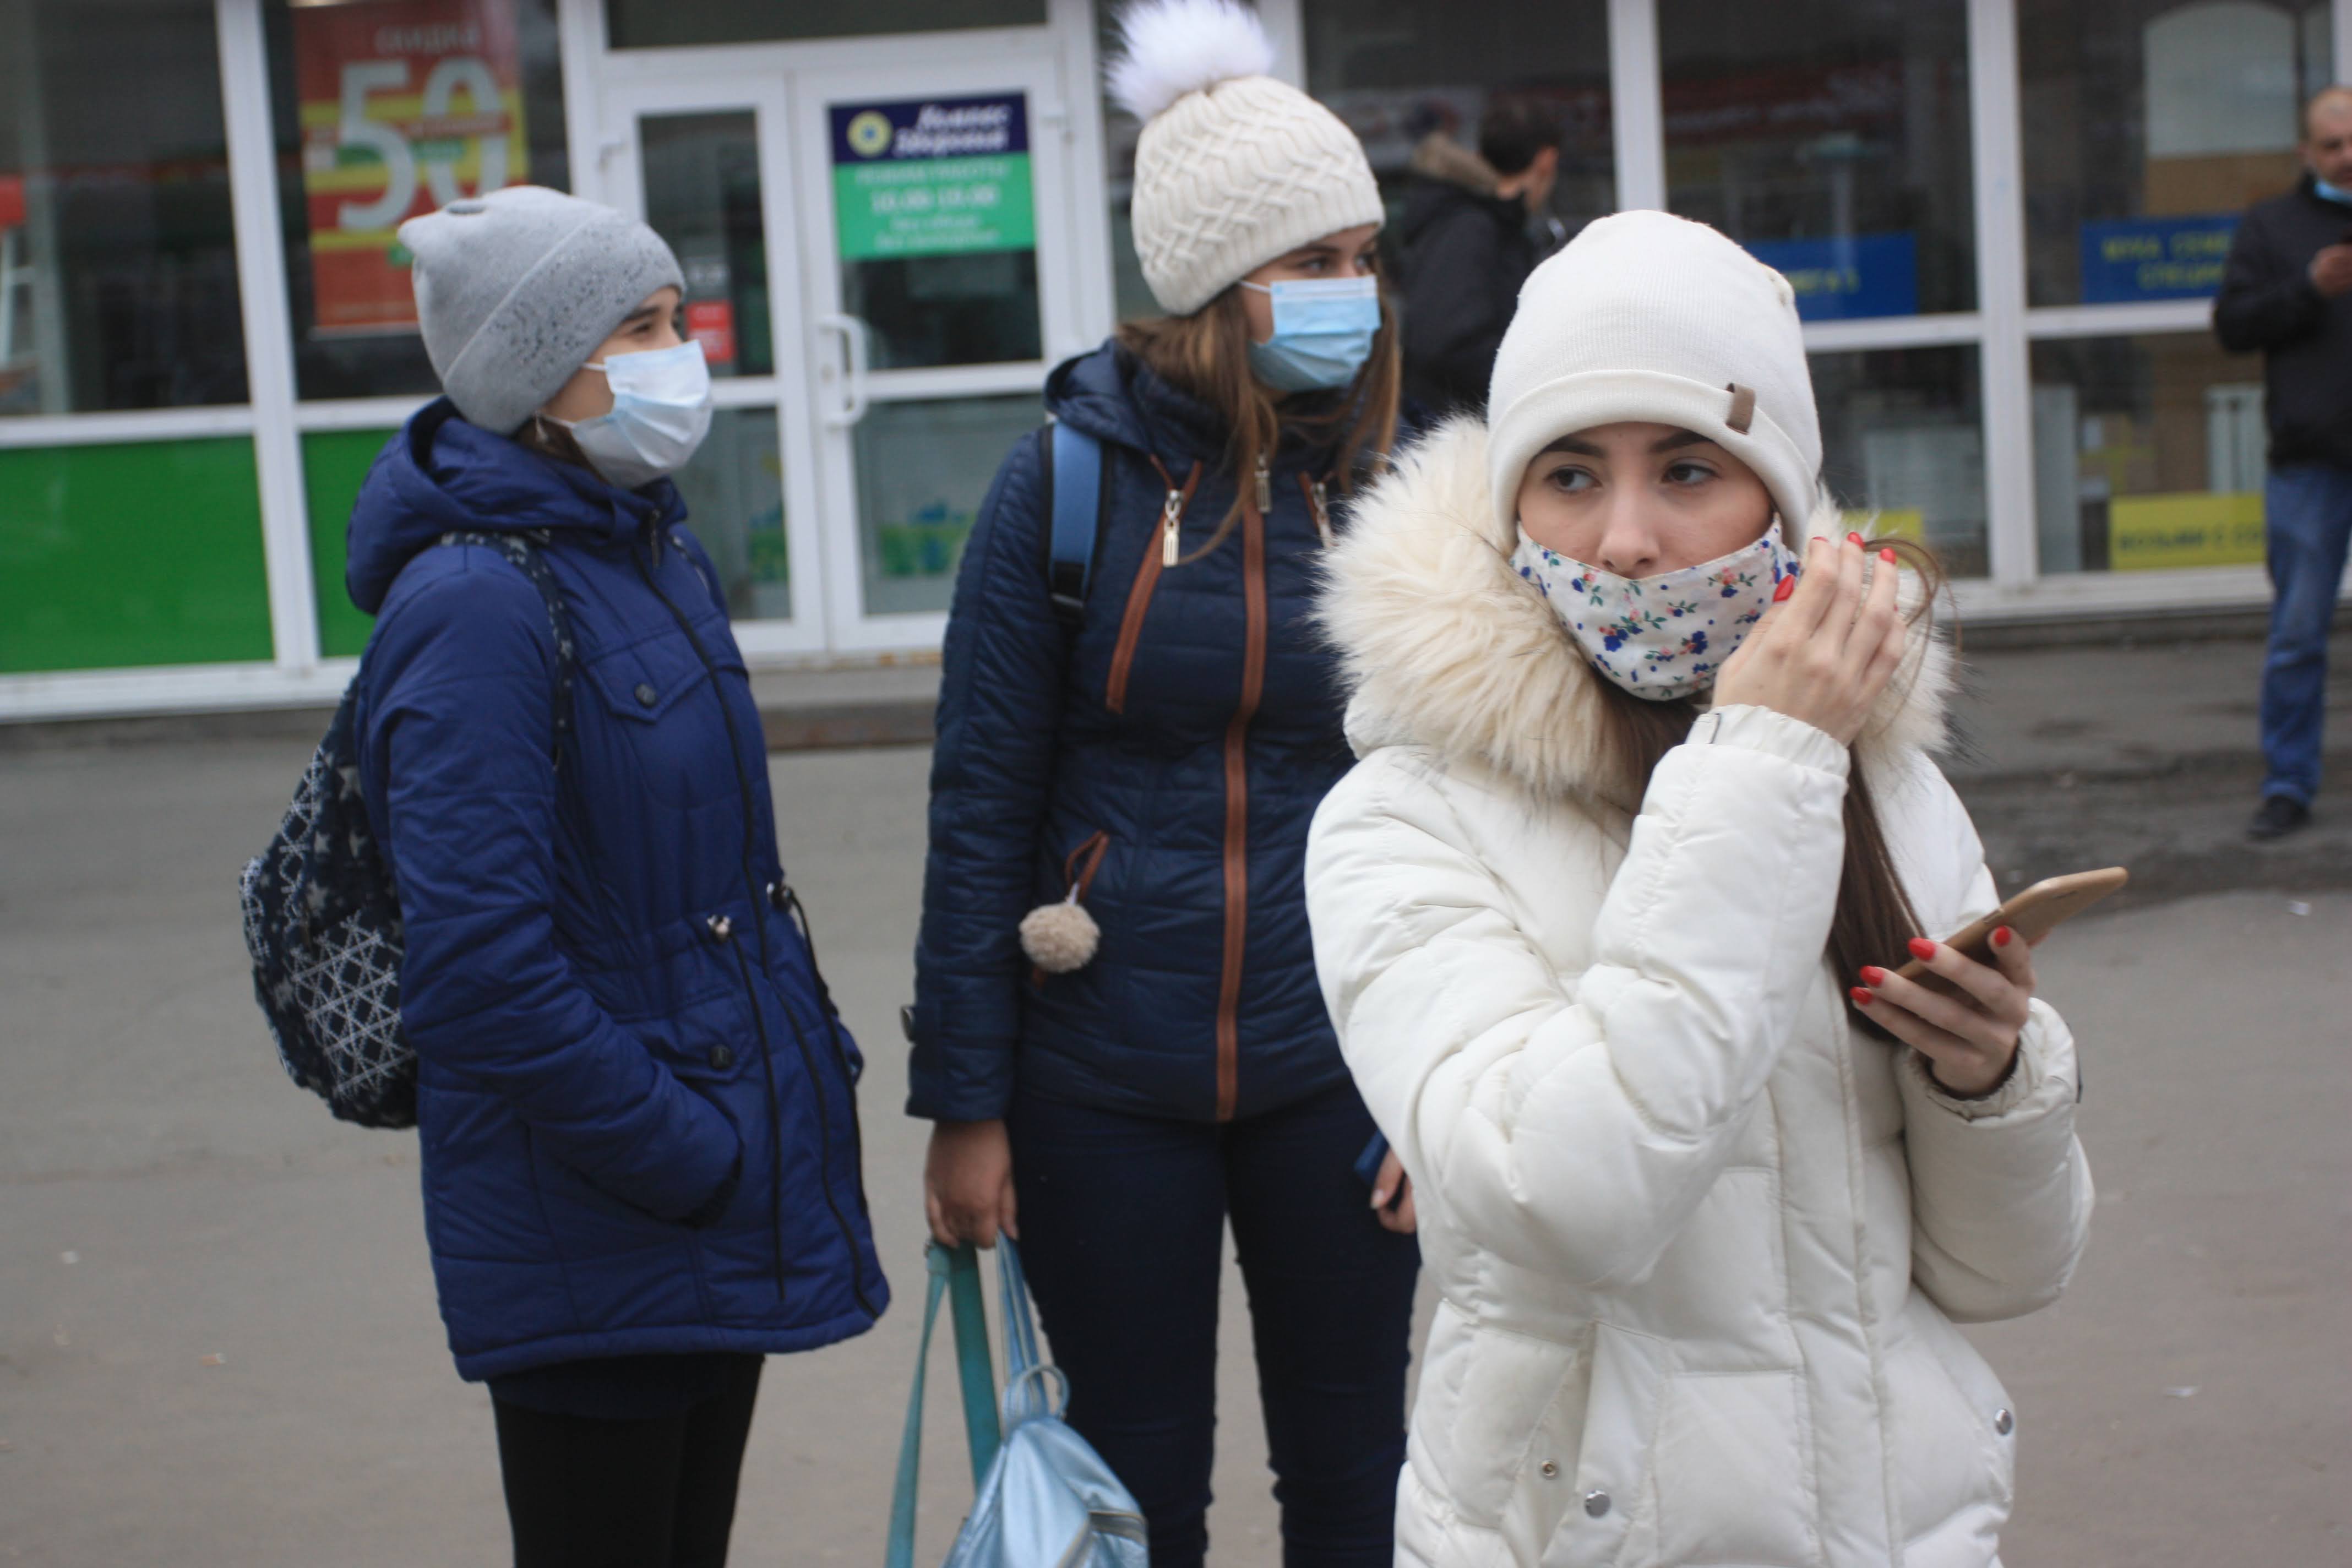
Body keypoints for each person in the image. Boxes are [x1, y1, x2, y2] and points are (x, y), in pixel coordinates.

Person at [1304, 210, 2094, 1567]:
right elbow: (1567, 1196)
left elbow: (2005, 1271)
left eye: (1685, 468)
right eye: (1569, 474)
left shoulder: (1886, 779)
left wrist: (1992, 1083)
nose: (1625, 538)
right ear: (1509, 506)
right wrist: (1763, 760)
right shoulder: (1404, 815)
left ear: (1777, 500)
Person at [908, 2, 1419, 1561]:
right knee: (1139, 1489)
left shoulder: (1403, 481)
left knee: (1362, 1470)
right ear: (1213, 282)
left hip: (1342, 1066)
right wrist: (965, 1105)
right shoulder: (1064, 484)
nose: (1353, 294)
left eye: (1364, 258)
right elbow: (980, 803)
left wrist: (1448, 1078)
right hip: (1098, 1080)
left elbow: (1473, 805)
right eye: (1313, 261)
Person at [345, 185, 887, 1568]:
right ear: (536, 374)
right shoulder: (475, 605)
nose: (678, 354)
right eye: (638, 328)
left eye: (674, 319)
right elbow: (479, 973)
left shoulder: (644, 546)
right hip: (606, 1207)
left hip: (698, 1186)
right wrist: (689, 1149)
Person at [2215, 84, 2352, 841]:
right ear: (2308, 153)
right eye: (2333, 145)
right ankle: (2288, 784)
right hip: (2310, 463)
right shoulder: (2273, 225)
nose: (2348, 156)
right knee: (2299, 635)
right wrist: (2307, 288)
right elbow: (2233, 325)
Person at [1397, 97, 1562, 415]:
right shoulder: (1472, 226)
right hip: (1456, 427)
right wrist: (1538, 384)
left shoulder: (1483, 223)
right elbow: (1447, 344)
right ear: (1547, 161)